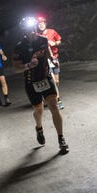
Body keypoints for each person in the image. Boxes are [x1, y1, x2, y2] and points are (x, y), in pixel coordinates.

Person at [13, 17, 69, 154]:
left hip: (46, 77)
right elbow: (15, 68)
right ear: (24, 31)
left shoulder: (43, 40)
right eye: (28, 29)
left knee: (54, 107)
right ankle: (39, 128)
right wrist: (27, 65)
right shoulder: (19, 47)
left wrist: (54, 61)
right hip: (31, 82)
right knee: (38, 110)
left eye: (33, 28)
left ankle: (61, 139)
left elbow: (49, 55)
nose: (31, 31)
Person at [36, 15, 64, 110]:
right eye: (39, 24)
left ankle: (53, 96)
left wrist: (55, 43)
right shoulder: (37, 35)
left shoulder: (52, 32)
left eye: (42, 23)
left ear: (45, 24)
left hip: (54, 58)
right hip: (45, 60)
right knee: (51, 80)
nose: (41, 25)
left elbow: (59, 40)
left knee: (56, 81)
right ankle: (58, 100)